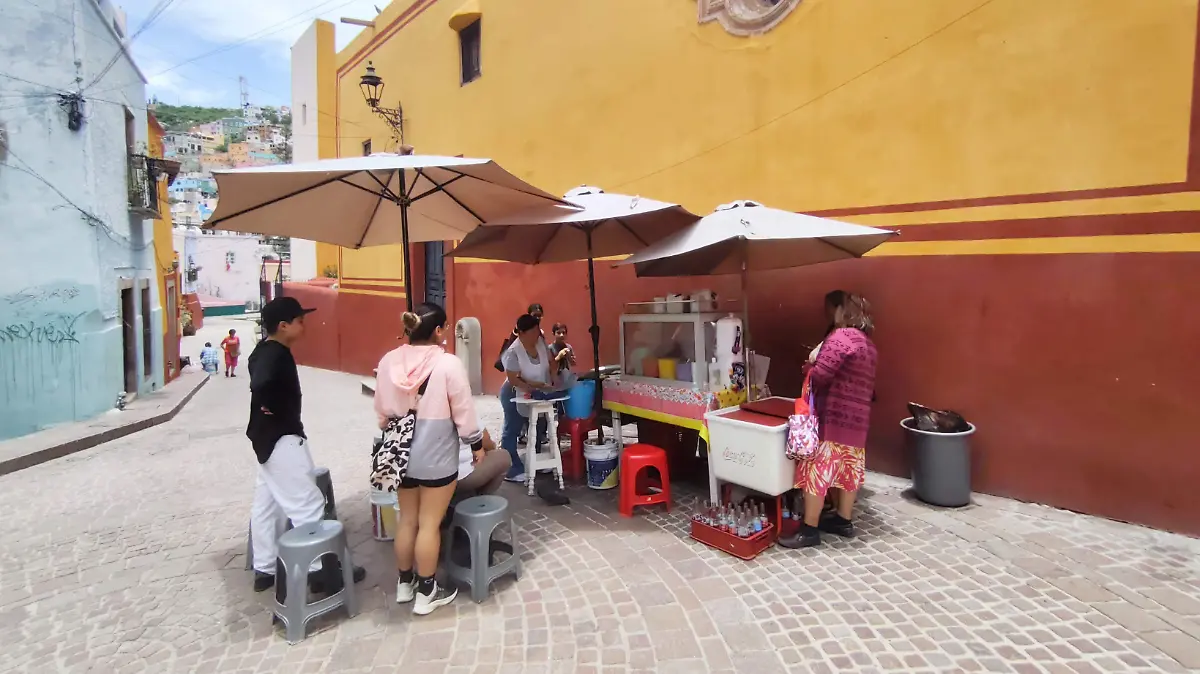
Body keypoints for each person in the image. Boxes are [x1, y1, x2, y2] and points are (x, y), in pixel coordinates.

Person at [374, 302, 488, 615]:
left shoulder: (388, 362)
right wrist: (476, 445)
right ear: (438, 330)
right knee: (429, 523)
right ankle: (427, 591)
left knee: (407, 519)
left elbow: (381, 412)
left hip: (399, 454)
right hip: (436, 453)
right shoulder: (448, 364)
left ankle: (404, 583)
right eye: (445, 327)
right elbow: (463, 411)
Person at [246, 297, 366, 592]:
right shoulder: (275, 354)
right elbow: (260, 384)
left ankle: (265, 567)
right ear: (283, 326)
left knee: (268, 504)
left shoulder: (264, 350)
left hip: (266, 438)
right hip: (282, 438)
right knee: (308, 504)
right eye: (300, 321)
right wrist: (271, 406)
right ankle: (319, 570)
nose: (305, 325)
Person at [779, 294, 878, 549]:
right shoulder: (868, 345)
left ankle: (809, 530)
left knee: (816, 472)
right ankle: (843, 521)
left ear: (843, 312)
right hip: (857, 423)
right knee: (849, 470)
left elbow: (821, 376)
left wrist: (812, 362)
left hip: (832, 421)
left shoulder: (839, 337)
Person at [499, 313, 558, 483]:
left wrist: (553, 377)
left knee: (540, 424)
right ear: (521, 333)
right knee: (513, 429)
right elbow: (513, 379)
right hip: (514, 393)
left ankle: (536, 460)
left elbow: (552, 362)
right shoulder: (512, 352)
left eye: (537, 331)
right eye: (532, 332)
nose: (536, 335)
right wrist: (532, 387)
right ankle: (512, 468)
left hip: (538, 390)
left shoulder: (541, 344)